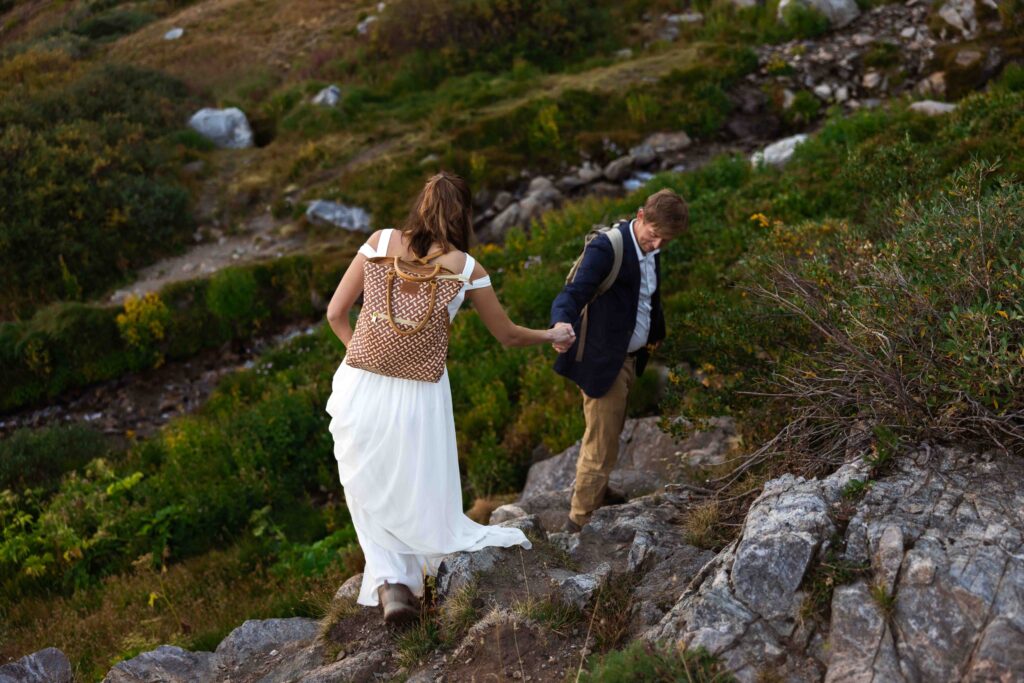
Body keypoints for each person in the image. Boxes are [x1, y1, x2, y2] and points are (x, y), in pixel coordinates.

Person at [324, 172, 575, 625]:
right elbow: (508, 335)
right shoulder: (465, 268)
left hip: (360, 381)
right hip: (420, 391)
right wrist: (552, 333)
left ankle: (391, 585)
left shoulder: (379, 242)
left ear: (421, 204)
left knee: (367, 481)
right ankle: (407, 574)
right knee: (416, 479)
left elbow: (335, 313)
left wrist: (365, 359)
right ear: (463, 213)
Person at [549, 188, 689, 532]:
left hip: (628, 359)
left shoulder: (650, 249)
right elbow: (572, 293)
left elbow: (647, 299)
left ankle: (598, 489)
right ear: (640, 216)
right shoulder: (606, 248)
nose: (657, 245)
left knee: (609, 432)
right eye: (654, 236)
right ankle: (579, 521)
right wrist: (560, 323)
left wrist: (656, 337)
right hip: (603, 360)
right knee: (600, 440)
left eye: (664, 241)